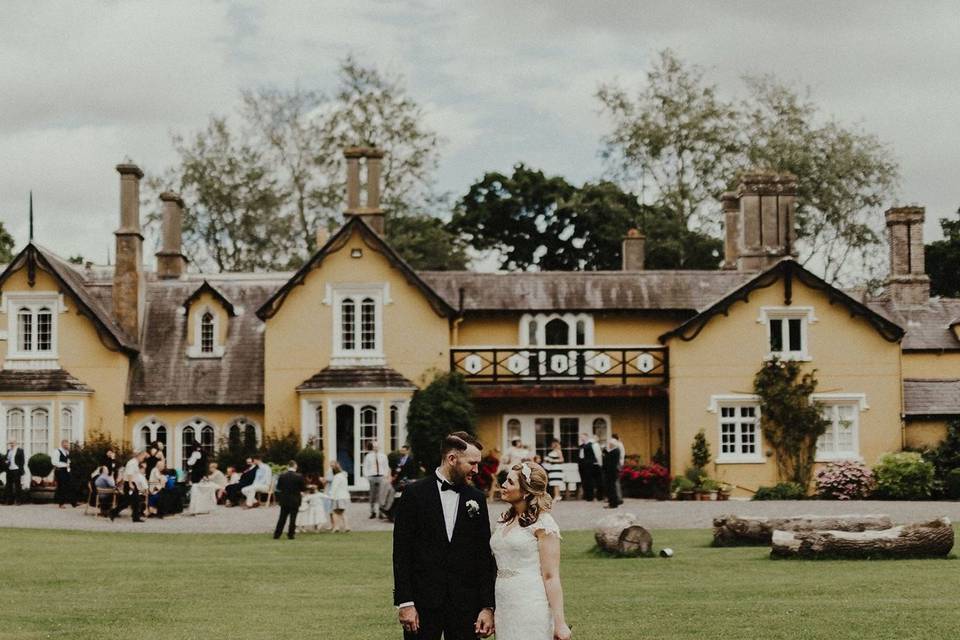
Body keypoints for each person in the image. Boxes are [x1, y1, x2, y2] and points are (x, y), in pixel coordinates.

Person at [393, 431, 496, 640]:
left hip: (466, 605)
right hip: (422, 604)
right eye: (472, 463)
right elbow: (402, 552)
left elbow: (483, 555)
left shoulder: (476, 498)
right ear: (452, 459)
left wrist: (487, 606)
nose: (477, 470)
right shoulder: (414, 494)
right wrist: (405, 602)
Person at [492, 462, 572, 640]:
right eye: (505, 480)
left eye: (510, 482)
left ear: (526, 491)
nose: (503, 485)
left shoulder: (543, 523)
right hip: (504, 602)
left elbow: (551, 576)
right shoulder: (504, 519)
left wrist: (560, 623)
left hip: (530, 601)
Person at [274, 460, 306, 540]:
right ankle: (291, 534)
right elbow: (303, 488)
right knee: (293, 518)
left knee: (282, 518)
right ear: (295, 466)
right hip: (295, 499)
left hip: (284, 499)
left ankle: (277, 534)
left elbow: (278, 488)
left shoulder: (282, 476)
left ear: (288, 466)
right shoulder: (299, 476)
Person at [362, 441, 390, 520]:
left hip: (381, 476)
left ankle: (381, 512)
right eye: (374, 447)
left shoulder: (383, 456)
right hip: (372, 476)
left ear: (379, 447)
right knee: (372, 495)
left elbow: (386, 466)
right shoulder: (368, 456)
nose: (376, 448)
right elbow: (365, 467)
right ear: (372, 447)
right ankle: (372, 511)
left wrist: (385, 475)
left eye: (377, 446)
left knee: (381, 495)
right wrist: (367, 476)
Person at [53, 440, 77, 508]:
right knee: (61, 487)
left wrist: (68, 465)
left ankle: (73, 502)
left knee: (70, 485)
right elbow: (54, 462)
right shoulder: (57, 451)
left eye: (67, 445)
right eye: (66, 445)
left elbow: (68, 461)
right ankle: (61, 503)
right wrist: (65, 465)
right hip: (59, 471)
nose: (67, 446)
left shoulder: (67, 452)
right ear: (62, 444)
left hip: (66, 471)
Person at [577, 433, 601, 501]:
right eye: (581, 437)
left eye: (583, 437)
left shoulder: (592, 445)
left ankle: (591, 496)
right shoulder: (581, 446)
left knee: (590, 481)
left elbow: (597, 455)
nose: (582, 438)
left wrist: (598, 464)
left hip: (590, 465)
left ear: (587, 437)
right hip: (582, 465)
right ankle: (586, 495)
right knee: (584, 481)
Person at [327, 461, 351, 533]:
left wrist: (331, 496)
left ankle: (336, 527)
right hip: (344, 496)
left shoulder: (336, 477)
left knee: (334, 512)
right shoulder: (343, 476)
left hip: (338, 496)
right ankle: (347, 526)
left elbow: (334, 487)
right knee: (343, 512)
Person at [602, 438, 623, 509]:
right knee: (610, 488)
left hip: (611, 472)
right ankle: (612, 502)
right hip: (611, 472)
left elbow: (609, 461)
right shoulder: (614, 451)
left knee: (611, 488)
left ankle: (613, 504)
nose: (609, 445)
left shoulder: (615, 451)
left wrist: (605, 453)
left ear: (612, 444)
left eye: (610, 444)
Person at [4, 440, 25, 505]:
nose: (11, 444)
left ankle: (18, 501)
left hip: (16, 469)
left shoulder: (20, 450)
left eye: (12, 442)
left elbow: (22, 461)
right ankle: (10, 501)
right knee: (9, 485)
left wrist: (20, 470)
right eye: (10, 443)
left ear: (16, 443)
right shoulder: (9, 451)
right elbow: (6, 459)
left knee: (17, 485)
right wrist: (6, 461)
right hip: (9, 470)